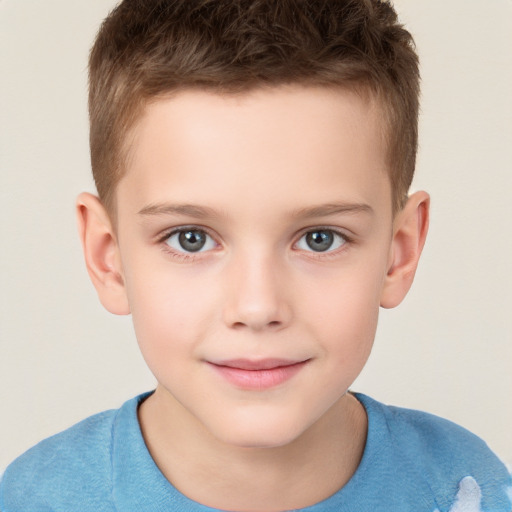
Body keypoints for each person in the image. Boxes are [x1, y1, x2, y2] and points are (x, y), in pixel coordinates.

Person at [1, 0, 510, 510]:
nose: (257, 307)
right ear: (108, 257)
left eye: (320, 238)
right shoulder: (33, 499)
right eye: (190, 238)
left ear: (398, 254)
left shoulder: (469, 490)